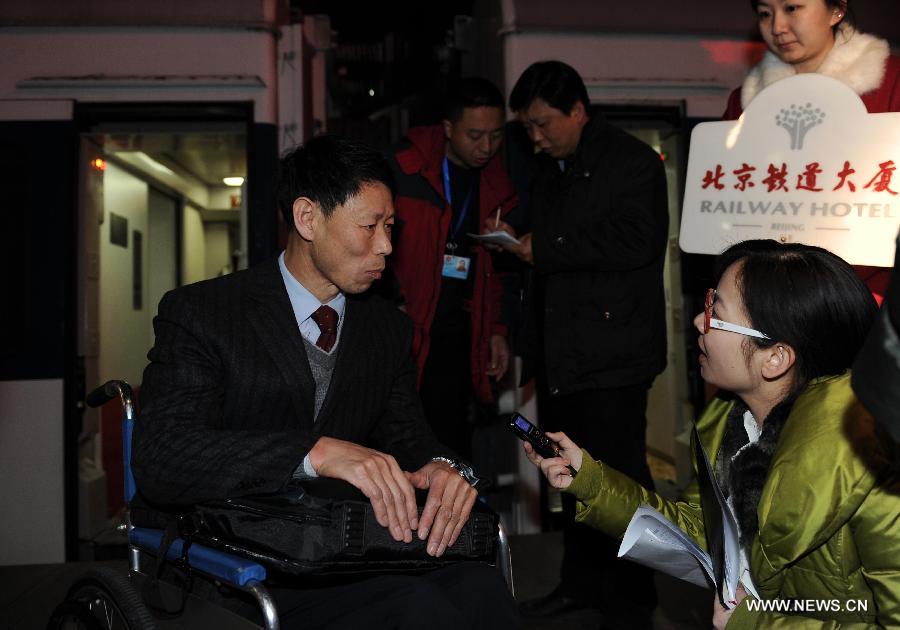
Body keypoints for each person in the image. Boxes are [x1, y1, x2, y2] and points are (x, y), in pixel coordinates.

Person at [132, 135, 520, 630]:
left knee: (480, 588)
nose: (386, 245)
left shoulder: (386, 329)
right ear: (307, 218)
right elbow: (163, 457)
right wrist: (312, 453)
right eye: (369, 226)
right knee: (414, 609)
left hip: (340, 551)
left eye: (391, 227)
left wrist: (442, 467)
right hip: (235, 564)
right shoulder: (205, 315)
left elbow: (408, 436)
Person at [526, 240, 900, 628]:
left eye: (714, 312)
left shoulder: (873, 464)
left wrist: (754, 624)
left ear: (774, 358)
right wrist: (589, 480)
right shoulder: (727, 423)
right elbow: (704, 533)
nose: (698, 322)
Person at [498, 60, 669, 626]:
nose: (536, 137)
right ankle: (581, 585)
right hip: (563, 356)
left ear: (578, 110)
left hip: (614, 356)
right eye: (527, 127)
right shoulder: (554, 167)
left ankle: (631, 600)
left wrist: (543, 245)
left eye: (544, 123)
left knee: (617, 480)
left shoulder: (632, 161)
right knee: (567, 477)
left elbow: (637, 240)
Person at [724, 0, 900, 302]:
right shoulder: (744, 102)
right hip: (771, 295)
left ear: (837, 10)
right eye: (765, 14)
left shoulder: (891, 82)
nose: (778, 27)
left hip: (872, 294)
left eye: (792, 8)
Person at [388, 77, 517, 458]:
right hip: (407, 327)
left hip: (459, 332)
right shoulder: (403, 169)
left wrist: (496, 329)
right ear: (448, 129)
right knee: (402, 444)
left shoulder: (497, 181)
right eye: (475, 135)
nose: (486, 147)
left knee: (451, 447)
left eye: (495, 136)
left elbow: (497, 270)